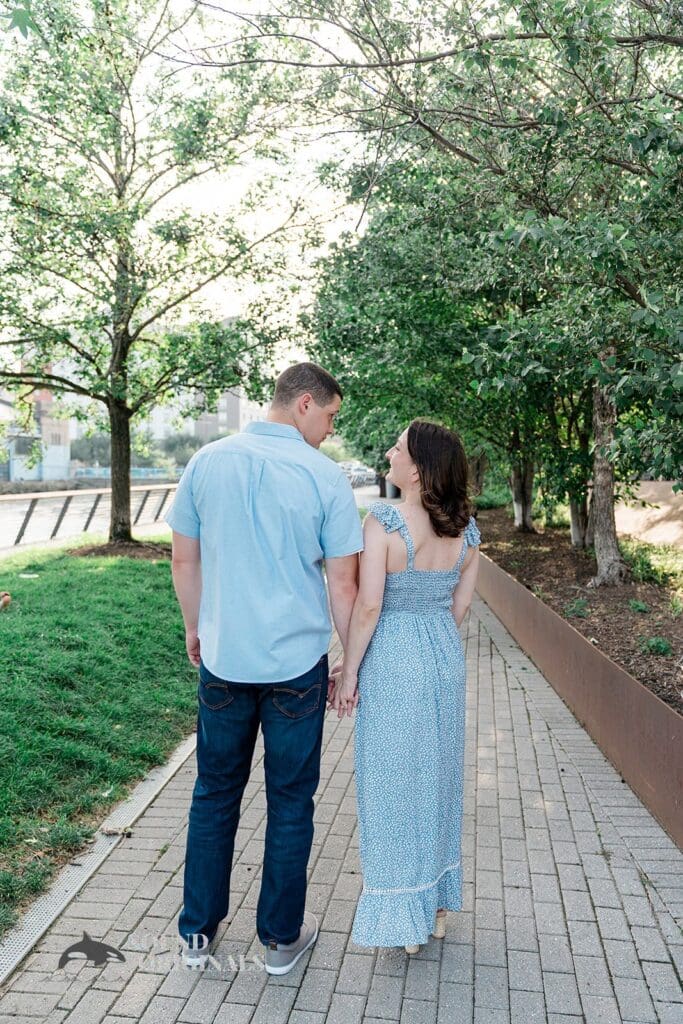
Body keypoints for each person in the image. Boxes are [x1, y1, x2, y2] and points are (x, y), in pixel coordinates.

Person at [166, 362, 362, 975]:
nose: (331, 430)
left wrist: (196, 627)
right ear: (305, 403)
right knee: (291, 802)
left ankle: (197, 935)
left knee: (214, 794)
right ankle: (279, 942)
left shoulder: (206, 462)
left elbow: (183, 558)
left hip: (224, 660)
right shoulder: (324, 477)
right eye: (330, 416)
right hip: (296, 666)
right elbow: (344, 583)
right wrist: (350, 660)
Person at [330, 419, 480, 953]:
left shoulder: (384, 521)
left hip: (394, 659)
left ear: (416, 469)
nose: (388, 454)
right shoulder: (465, 528)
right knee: (438, 781)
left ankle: (403, 920)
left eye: (396, 448)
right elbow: (459, 608)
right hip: (443, 657)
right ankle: (436, 906)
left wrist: (349, 671)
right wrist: (432, 637)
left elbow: (369, 606)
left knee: (394, 789)